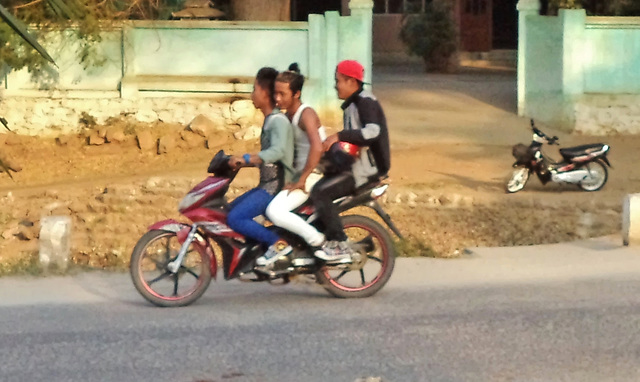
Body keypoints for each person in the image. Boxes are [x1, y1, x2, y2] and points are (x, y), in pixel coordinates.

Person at [310, 59, 391, 262]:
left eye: (338, 80)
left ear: (351, 82)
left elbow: (373, 132)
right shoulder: (353, 104)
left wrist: (339, 136)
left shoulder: (365, 102)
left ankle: (339, 244)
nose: (335, 85)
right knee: (314, 192)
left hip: (365, 170)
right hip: (353, 165)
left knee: (321, 193)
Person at [254, 63, 327, 267]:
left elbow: (317, 148)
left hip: (312, 175)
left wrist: (302, 180)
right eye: (275, 93)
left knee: (274, 211)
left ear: (296, 94)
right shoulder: (286, 115)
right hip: (298, 174)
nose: (277, 98)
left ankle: (317, 241)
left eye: (282, 94)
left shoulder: (306, 114)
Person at [226, 67, 294, 261]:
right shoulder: (270, 121)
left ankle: (277, 244)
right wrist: (241, 162)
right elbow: (267, 158)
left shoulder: (277, 121)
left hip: (276, 187)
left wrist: (247, 159)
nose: (251, 95)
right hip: (266, 185)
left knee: (236, 218)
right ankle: (257, 251)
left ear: (265, 93)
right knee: (229, 211)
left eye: (254, 89)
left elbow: (277, 152)